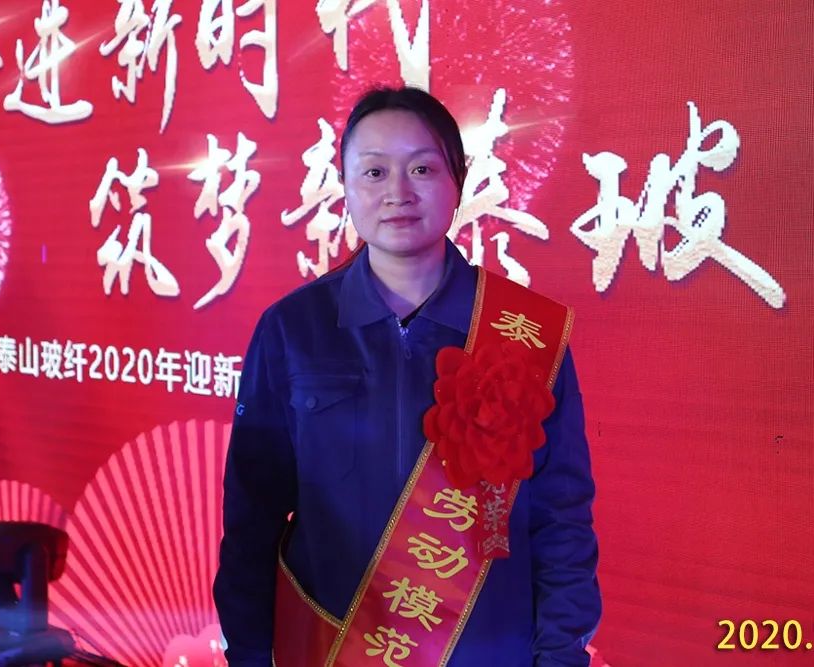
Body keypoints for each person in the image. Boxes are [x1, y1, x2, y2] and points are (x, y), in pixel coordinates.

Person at [214, 86, 600, 666]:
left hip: (488, 650)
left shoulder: (522, 335)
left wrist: (560, 655)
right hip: (328, 644)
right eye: (374, 172)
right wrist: (248, 652)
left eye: (422, 168)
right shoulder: (293, 329)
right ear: (345, 187)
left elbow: (561, 518)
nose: (398, 192)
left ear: (457, 181)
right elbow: (252, 514)